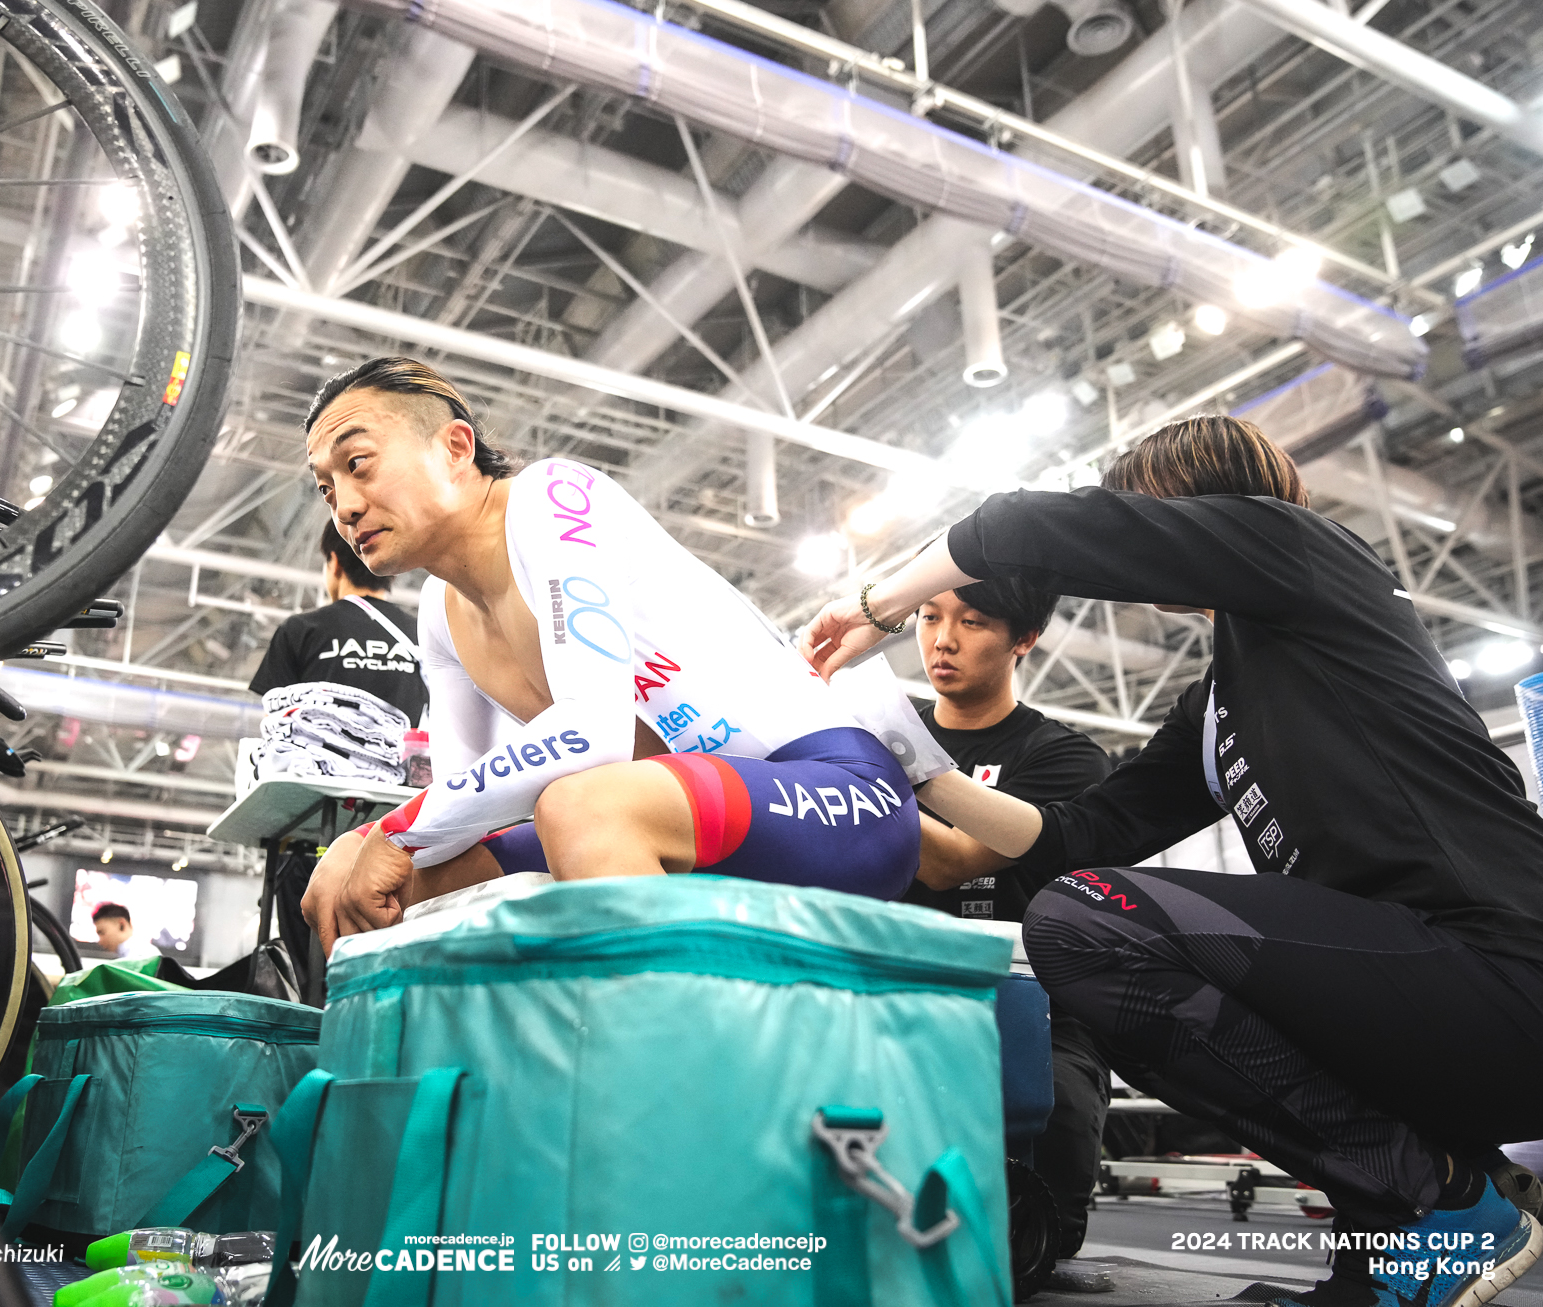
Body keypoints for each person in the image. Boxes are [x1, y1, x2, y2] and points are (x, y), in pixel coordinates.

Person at [802, 416, 1543, 1307]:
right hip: (1405, 993)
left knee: (1086, 922)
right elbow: (1076, 833)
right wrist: (916, 763)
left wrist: (878, 608)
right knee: (1101, 912)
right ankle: (1392, 1245)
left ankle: (1442, 1200)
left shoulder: (1306, 552)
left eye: (1133, 508)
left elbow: (1019, 525)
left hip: (1497, 968)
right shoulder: (1221, 699)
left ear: (1201, 503)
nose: (1124, 533)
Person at [295, 356, 922, 956]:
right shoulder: (438, 613)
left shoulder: (551, 498)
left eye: (359, 464)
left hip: (841, 794)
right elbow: (464, 814)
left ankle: (658, 1058)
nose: (345, 505)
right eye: (327, 489)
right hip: (688, 820)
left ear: (456, 449)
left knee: (579, 806)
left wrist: (393, 830)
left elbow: (596, 734)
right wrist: (363, 844)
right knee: (382, 888)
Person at [905, 576, 1115, 1269]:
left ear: (1022, 639)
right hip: (894, 989)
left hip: (1028, 1004)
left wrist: (879, 771)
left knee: (1036, 1230)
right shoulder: (871, 739)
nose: (942, 638)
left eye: (972, 622)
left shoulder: (1065, 757)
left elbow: (956, 866)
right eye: (930, 615)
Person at [248, 520, 428, 726]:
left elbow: (275, 723)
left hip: (318, 756)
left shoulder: (300, 630)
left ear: (334, 562)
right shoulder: (420, 635)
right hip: (404, 756)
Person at [91, 902, 160, 960]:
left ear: (121, 925)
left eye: (102, 932)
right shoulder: (134, 954)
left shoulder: (142, 954)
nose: (100, 941)